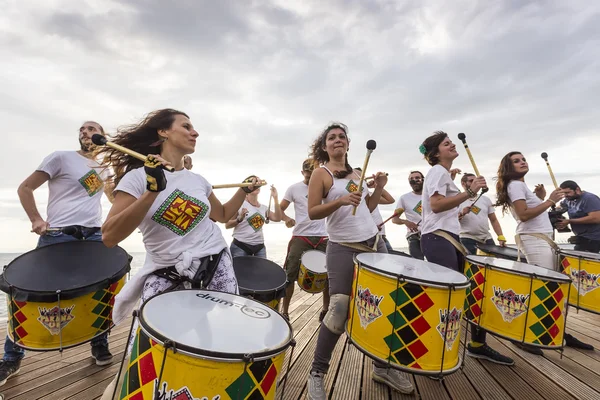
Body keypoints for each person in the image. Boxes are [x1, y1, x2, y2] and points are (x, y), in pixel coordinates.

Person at [98, 109, 255, 398]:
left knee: (224, 338)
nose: (195, 132)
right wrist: (151, 190)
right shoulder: (136, 178)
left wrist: (243, 191)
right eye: (187, 126)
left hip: (216, 264)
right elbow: (110, 236)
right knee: (147, 345)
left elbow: (220, 215)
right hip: (166, 271)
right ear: (163, 132)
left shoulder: (198, 180)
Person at [0, 121, 115, 387]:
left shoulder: (104, 167)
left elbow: (115, 198)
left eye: (92, 129)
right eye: (82, 129)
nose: (85, 133)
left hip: (94, 236)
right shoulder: (61, 158)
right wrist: (36, 220)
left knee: (99, 290)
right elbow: (25, 188)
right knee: (29, 292)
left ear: (102, 137)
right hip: (58, 234)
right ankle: (11, 357)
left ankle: (99, 344)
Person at [306, 123, 414, 400]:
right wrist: (340, 201)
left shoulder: (356, 173)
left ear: (348, 144)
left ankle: (382, 366)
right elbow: (314, 212)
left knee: (386, 305)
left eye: (342, 137)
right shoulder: (322, 173)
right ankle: (317, 372)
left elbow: (366, 208)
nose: (337, 140)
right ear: (324, 146)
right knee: (339, 308)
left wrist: (378, 188)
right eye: (332, 138)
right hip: (342, 247)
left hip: (374, 245)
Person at [419, 131, 514, 366]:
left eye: (451, 141)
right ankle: (432, 349)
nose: (451, 144)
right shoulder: (436, 171)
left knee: (471, 292)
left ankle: (477, 344)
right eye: (445, 143)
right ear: (435, 153)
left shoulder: (442, 174)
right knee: (448, 296)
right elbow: (436, 205)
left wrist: (463, 190)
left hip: (448, 238)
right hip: (437, 237)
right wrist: (469, 192)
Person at [495, 152, 594, 352]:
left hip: (541, 239)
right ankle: (524, 335)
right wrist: (549, 201)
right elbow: (523, 215)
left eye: (523, 159)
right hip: (534, 240)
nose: (522, 162)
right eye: (516, 161)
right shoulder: (515, 185)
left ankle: (556, 329)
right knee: (544, 288)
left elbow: (532, 212)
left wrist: (540, 199)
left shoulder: (520, 186)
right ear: (508, 167)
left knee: (552, 288)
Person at [279, 158, 330, 322]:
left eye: (314, 175)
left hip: (323, 236)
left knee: (328, 275)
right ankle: (285, 312)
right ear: (302, 173)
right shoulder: (294, 188)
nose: (311, 179)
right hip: (301, 235)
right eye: (308, 176)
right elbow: (279, 209)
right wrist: (286, 218)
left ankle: (326, 310)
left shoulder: (327, 187)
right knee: (290, 274)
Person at [225, 184, 282, 258]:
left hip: (259, 247)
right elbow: (227, 225)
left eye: (258, 186)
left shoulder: (263, 208)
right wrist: (239, 219)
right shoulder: (239, 205)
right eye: (254, 185)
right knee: (239, 269)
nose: (256, 187)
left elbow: (277, 218)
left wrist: (275, 198)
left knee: (261, 269)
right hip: (241, 246)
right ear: (247, 189)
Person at [458, 173, 507, 254]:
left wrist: (500, 237)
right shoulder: (458, 200)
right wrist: (462, 213)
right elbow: (451, 220)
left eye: (476, 181)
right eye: (471, 181)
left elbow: (494, 220)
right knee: (475, 265)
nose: (475, 183)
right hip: (467, 238)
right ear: (463, 184)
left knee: (493, 262)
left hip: (486, 238)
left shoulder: (485, 199)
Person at [356, 167, 396, 251]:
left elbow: (390, 200)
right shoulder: (354, 196)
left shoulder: (371, 194)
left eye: (363, 178)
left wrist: (377, 186)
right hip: (369, 236)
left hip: (380, 235)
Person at [556, 180, 600, 253]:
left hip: (594, 238)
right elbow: (559, 208)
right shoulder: (568, 200)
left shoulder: (589, 198)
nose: (565, 195)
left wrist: (569, 221)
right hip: (582, 237)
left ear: (577, 190)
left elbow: (596, 218)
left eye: (567, 192)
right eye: (563, 193)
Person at [392, 171, 424, 259]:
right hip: (415, 235)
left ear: (423, 180)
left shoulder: (431, 195)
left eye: (417, 178)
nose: (414, 180)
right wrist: (406, 222)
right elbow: (394, 219)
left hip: (431, 233)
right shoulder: (404, 198)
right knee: (417, 263)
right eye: (411, 179)